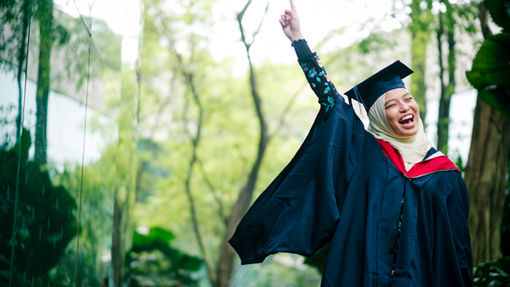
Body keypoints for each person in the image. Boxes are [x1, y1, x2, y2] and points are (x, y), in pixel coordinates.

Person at [228, 0, 473, 286]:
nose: (405, 108)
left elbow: (458, 251)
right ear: (379, 117)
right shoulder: (367, 153)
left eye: (408, 100)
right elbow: (332, 103)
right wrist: (299, 43)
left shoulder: (445, 175)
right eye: (391, 105)